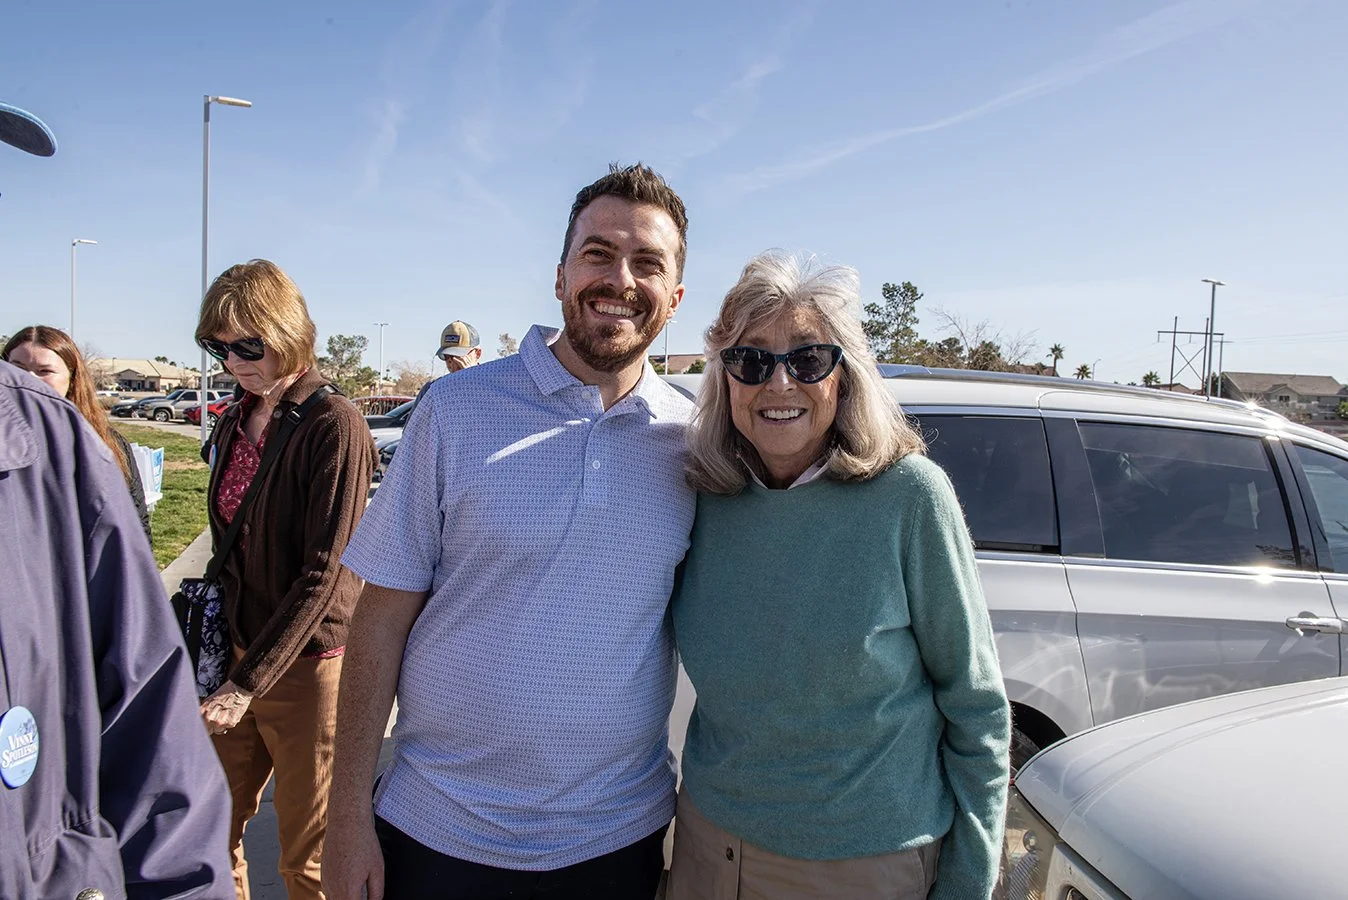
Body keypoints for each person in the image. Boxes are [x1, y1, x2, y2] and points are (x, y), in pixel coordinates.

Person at [324, 163, 694, 900]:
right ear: (560, 276)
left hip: (615, 841)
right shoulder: (455, 412)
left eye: (647, 263)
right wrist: (344, 817)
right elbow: (378, 623)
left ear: (674, 299)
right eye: (598, 253)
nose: (620, 279)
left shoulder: (694, 441)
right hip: (438, 832)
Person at [666, 251, 1011, 900]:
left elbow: (976, 707)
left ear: (845, 375)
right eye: (750, 360)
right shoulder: (701, 496)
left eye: (807, 358)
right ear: (724, 378)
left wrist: (968, 881)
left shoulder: (910, 496)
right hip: (708, 851)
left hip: (862, 866)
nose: (779, 384)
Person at [195, 259, 377, 900]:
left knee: (309, 862)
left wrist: (248, 684)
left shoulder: (336, 424)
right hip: (237, 657)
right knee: (208, 834)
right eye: (220, 347)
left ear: (287, 331)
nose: (234, 361)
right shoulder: (233, 418)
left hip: (304, 668)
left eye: (249, 344)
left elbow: (327, 573)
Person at [4, 324, 152, 541]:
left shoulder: (106, 443)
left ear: (72, 380)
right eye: (17, 368)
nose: (27, 380)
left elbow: (135, 526)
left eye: (44, 371)